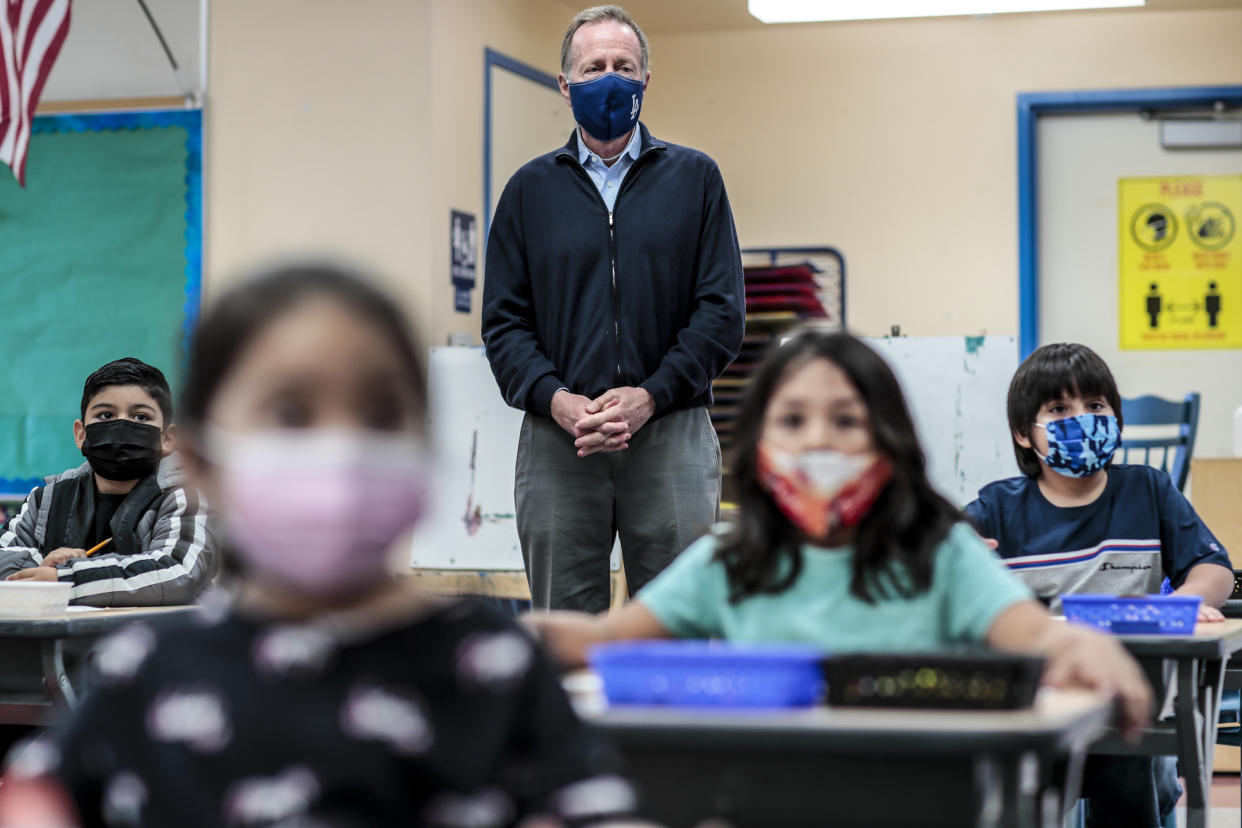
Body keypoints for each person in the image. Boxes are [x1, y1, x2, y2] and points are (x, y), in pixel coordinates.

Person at [0, 264, 643, 828]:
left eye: (380, 412)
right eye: (290, 414)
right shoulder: (142, 676)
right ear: (200, 461)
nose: (340, 445)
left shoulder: (495, 669)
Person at [528, 329, 1153, 741]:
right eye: (793, 420)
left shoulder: (939, 554)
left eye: (847, 419)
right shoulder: (732, 561)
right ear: (761, 446)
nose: (819, 441)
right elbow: (604, 638)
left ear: (889, 441)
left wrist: (1086, 649)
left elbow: (1037, 635)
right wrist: (498, 635)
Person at [482, 5, 745, 612]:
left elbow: (721, 311)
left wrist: (650, 395)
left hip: (671, 432)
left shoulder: (696, 179)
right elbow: (504, 324)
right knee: (566, 625)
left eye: (624, 66)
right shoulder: (528, 191)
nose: (610, 77)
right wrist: (557, 399)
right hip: (560, 440)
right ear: (565, 85)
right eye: (593, 66)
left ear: (645, 81)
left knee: (678, 625)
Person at [964, 341, 1233, 828]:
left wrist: (1188, 604)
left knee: (1130, 751)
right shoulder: (998, 508)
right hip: (1041, 698)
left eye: (1094, 405)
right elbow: (941, 556)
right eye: (1059, 409)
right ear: (1026, 434)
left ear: (1115, 416)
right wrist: (953, 562)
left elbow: (1215, 568)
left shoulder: (1148, 490)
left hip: (1134, 694)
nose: (1082, 418)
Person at [0, 358, 217, 606]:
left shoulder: (187, 495)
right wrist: (44, 566)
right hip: (60, 642)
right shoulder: (46, 499)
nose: (121, 425)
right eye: (105, 415)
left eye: (140, 417)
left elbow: (179, 571)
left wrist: (67, 577)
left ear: (167, 439)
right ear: (81, 434)